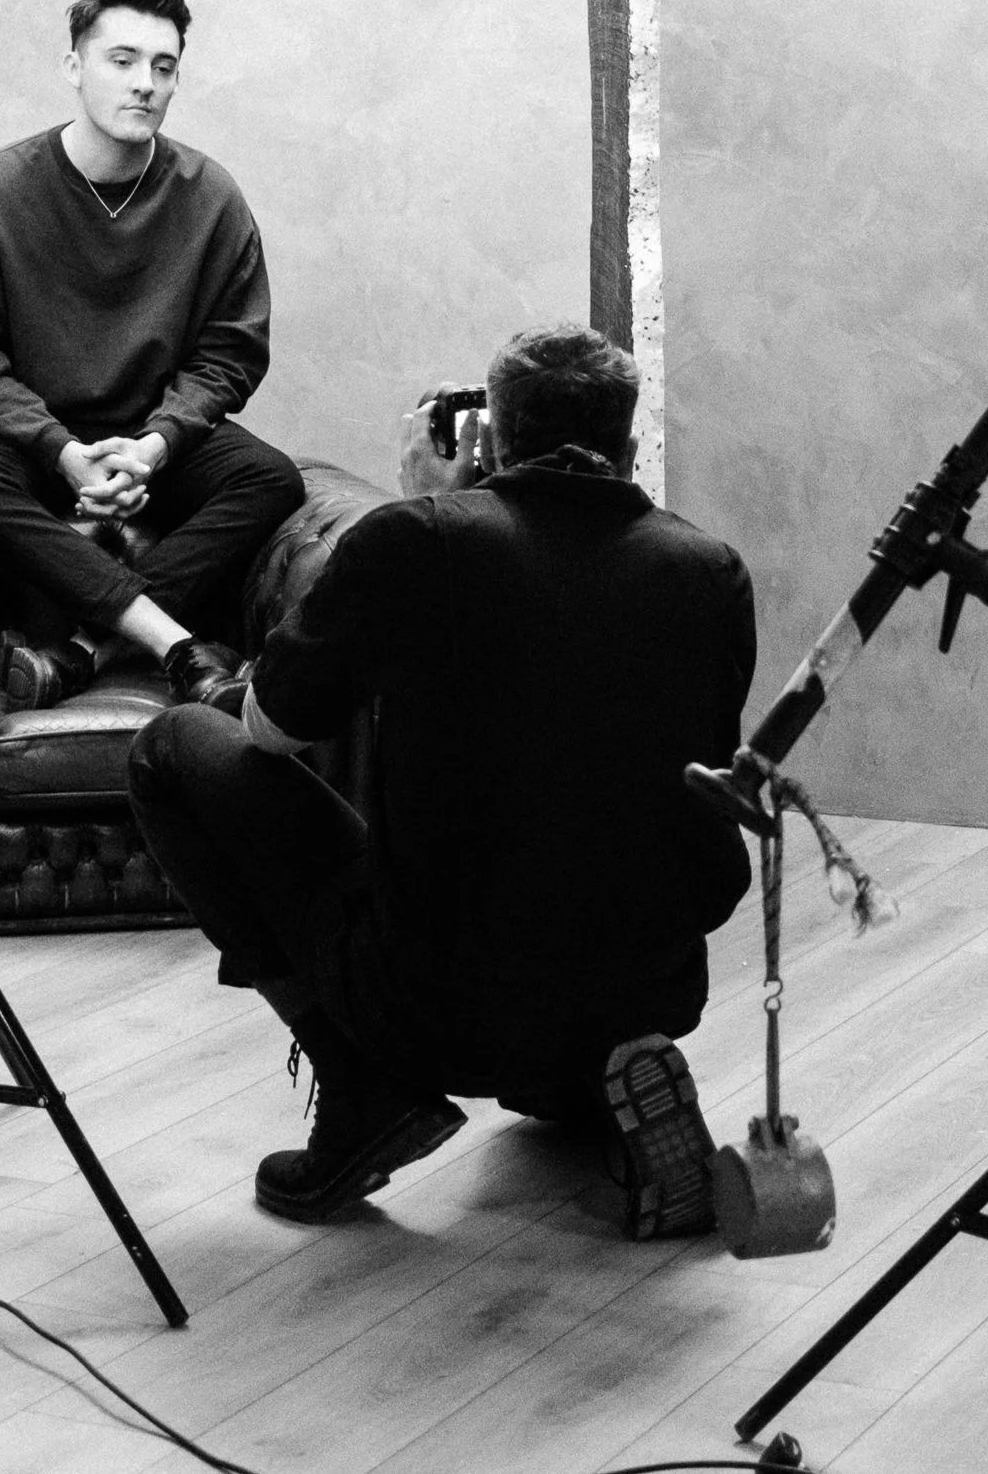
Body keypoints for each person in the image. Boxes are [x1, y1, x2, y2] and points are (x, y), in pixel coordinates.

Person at [127, 323, 757, 1233]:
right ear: (629, 447)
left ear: (492, 438)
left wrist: (426, 508)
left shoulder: (418, 538)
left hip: (438, 1006)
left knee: (173, 746)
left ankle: (365, 1091)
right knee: (580, 866)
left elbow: (270, 726)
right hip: (650, 981)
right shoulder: (710, 570)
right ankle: (603, 1073)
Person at [0, 0, 304, 709]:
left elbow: (231, 352)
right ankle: (173, 642)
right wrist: (60, 449)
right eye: (121, 60)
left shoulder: (209, 196)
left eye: (163, 66)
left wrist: (156, 444)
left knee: (270, 478)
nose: (144, 84)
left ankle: (85, 650)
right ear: (74, 67)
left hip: (153, 434)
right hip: (30, 435)